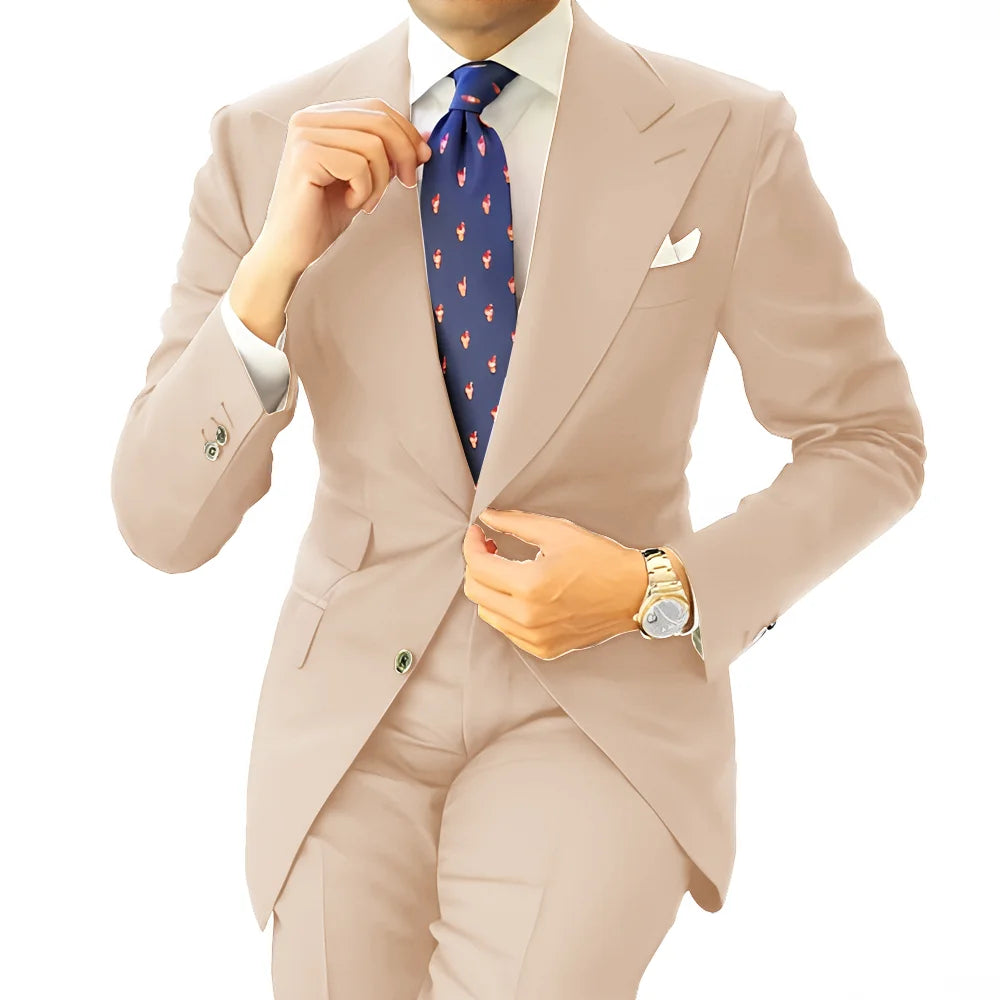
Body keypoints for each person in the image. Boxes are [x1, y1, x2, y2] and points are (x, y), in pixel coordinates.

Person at [110, 0, 926, 995]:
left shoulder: (727, 133)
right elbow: (161, 524)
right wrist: (267, 274)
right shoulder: (260, 143)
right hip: (349, 725)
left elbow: (868, 439)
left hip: (597, 708)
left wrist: (654, 588)